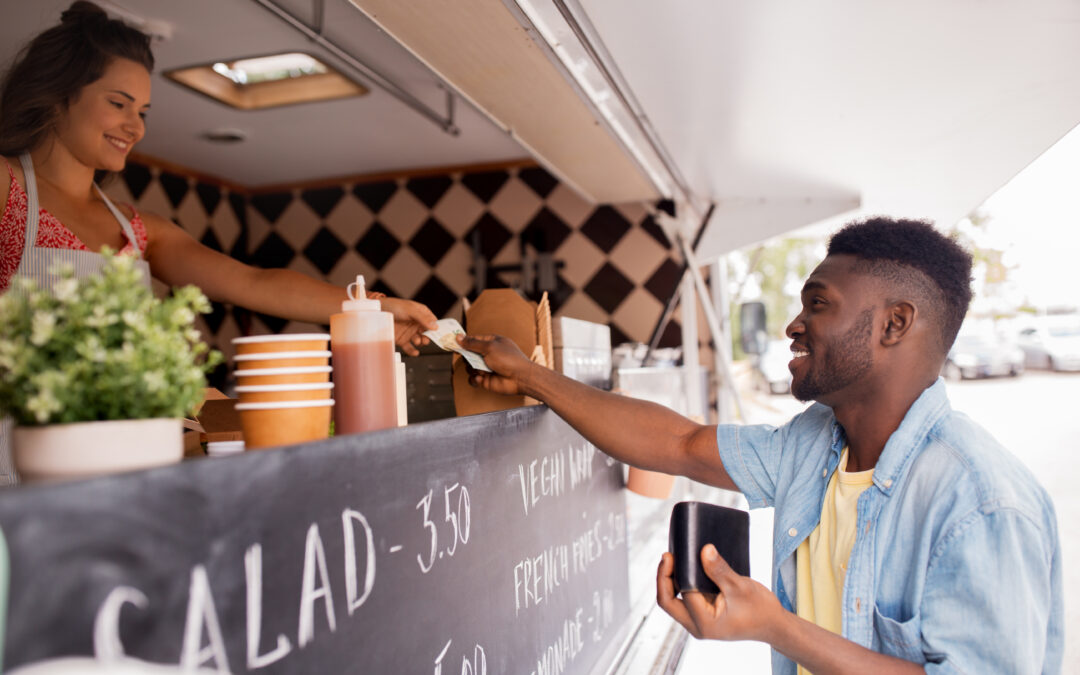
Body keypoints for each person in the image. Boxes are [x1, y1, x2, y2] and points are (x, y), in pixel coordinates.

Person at [460, 217, 1062, 674]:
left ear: (893, 325)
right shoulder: (815, 446)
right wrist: (532, 376)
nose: (792, 326)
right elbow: (679, 442)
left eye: (817, 304)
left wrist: (775, 627)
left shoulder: (982, 503)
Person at [0, 1, 438, 353]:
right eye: (118, 103)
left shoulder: (138, 231)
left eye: (143, 112)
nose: (136, 128)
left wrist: (373, 310)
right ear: (58, 96)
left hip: (116, 456)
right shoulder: (7, 189)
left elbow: (254, 283)